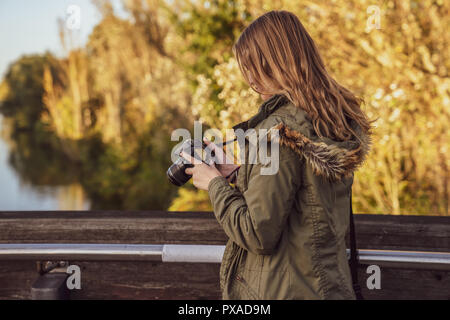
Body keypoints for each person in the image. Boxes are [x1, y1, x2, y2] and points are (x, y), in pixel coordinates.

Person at [181, 10, 373, 300]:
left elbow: (257, 234)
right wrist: (235, 173)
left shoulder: (276, 131)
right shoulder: (331, 120)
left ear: (270, 65)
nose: (249, 80)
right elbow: (302, 202)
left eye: (250, 67)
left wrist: (214, 184)